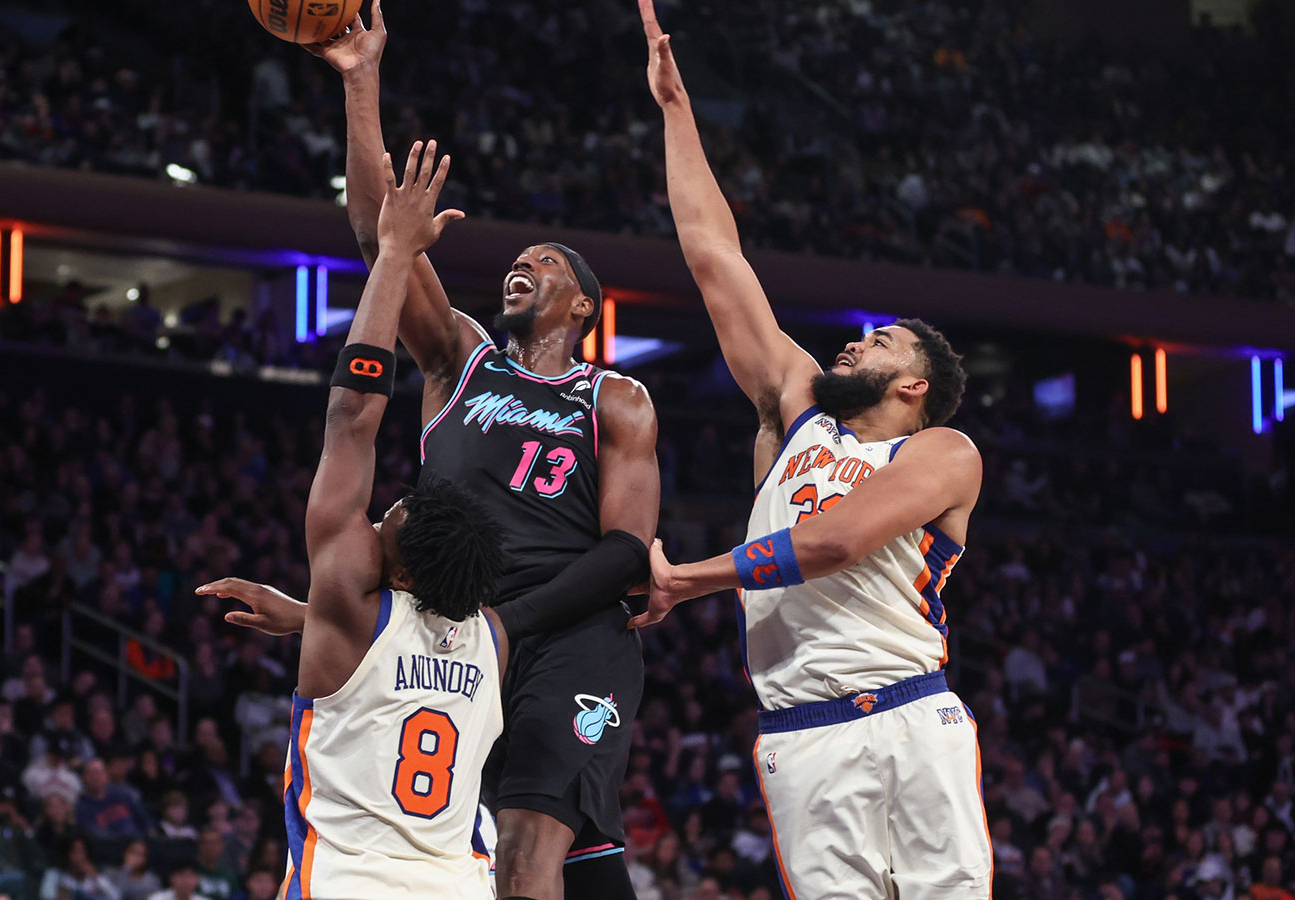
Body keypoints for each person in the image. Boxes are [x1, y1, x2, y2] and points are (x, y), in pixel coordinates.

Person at [248, 12, 664, 899]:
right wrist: (361, 81)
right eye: (517, 258)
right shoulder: (459, 362)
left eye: (545, 263)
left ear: (585, 307)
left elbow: (629, 553)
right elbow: (378, 239)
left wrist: (511, 625)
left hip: (565, 636)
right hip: (450, 624)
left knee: (520, 859)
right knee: (473, 855)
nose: (523, 264)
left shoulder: (615, 399)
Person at [629, 3, 990, 898]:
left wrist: (686, 578)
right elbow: (716, 256)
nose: (860, 338)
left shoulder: (943, 452)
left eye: (885, 341)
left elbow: (831, 542)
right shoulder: (793, 413)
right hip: (799, 730)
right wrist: (677, 113)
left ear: (915, 387)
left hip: (910, 715)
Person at [200, 142, 510, 900]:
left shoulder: (347, 600)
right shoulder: (493, 637)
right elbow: (409, 650)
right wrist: (313, 617)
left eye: (381, 531)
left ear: (396, 574)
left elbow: (351, 417)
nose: (369, 529)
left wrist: (396, 252)